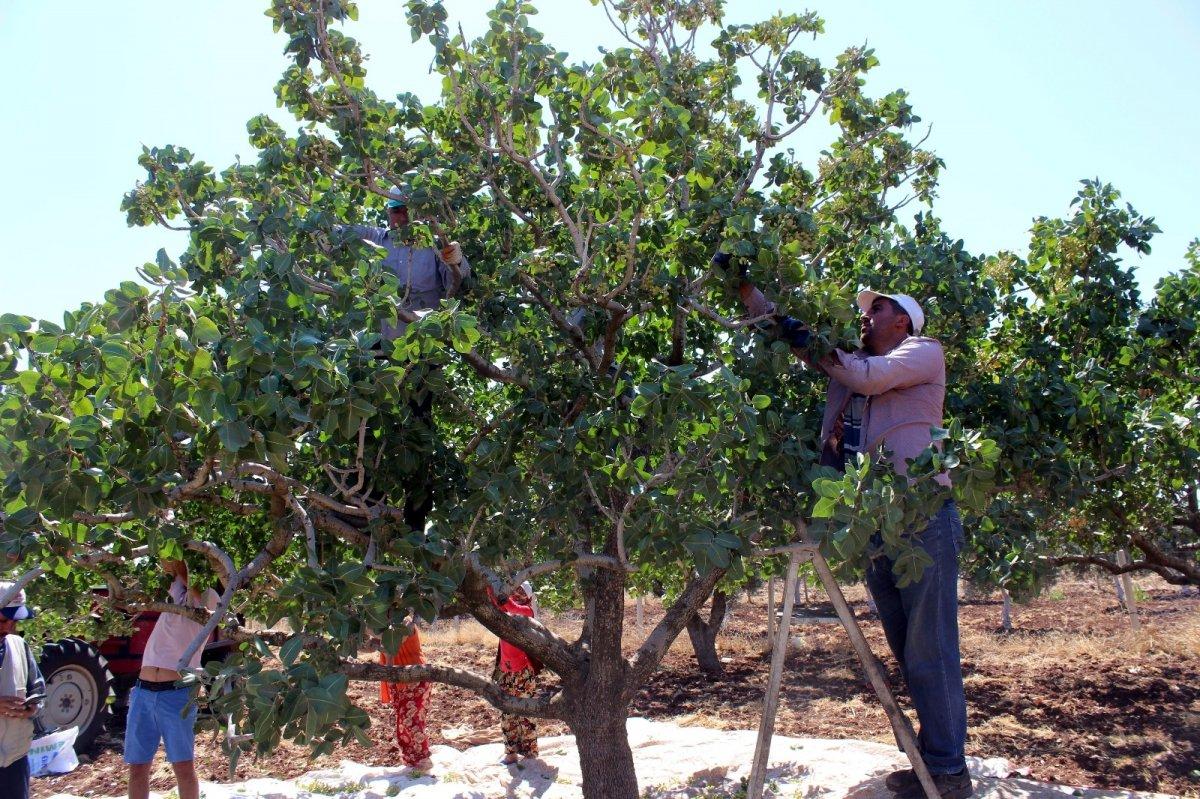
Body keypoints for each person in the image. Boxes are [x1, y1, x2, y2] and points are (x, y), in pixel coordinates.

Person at [729, 262, 972, 799]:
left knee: (931, 648)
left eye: (876, 309)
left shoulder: (923, 352)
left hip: (922, 516)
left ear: (903, 322)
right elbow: (808, 347)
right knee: (908, 649)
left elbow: (862, 375)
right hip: (873, 522)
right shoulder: (854, 365)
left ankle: (949, 773)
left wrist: (815, 344)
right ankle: (933, 765)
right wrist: (750, 292)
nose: (865, 316)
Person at [337, 185, 471, 533]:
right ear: (388, 212)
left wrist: (457, 258)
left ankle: (416, 519)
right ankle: (363, 506)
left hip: (422, 354)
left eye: (407, 209)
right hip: (382, 350)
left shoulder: (433, 244)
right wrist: (313, 228)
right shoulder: (378, 239)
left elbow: (460, 280)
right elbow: (341, 231)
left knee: (418, 430)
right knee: (365, 422)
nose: (402, 216)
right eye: (396, 209)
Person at [125, 559, 219, 799]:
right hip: (143, 691)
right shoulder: (177, 590)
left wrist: (180, 562)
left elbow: (187, 575)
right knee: (137, 769)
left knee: (183, 768)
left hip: (176, 694)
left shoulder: (212, 598)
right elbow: (170, 563)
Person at [0, 582, 45, 799]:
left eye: (14, 621)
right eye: (2, 620)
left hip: (14, 759)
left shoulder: (19, 646)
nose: (8, 628)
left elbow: (38, 688)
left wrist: (33, 707)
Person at [493, 581, 539, 765]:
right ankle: (511, 753)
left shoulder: (528, 612)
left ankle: (530, 753)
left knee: (526, 713)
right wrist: (489, 586)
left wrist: (503, 598)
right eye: (515, 590)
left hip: (523, 672)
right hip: (506, 670)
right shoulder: (505, 612)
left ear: (528, 597)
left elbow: (513, 607)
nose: (516, 594)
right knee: (507, 713)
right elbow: (497, 603)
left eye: (521, 591)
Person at [378, 627, 432, 770]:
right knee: (401, 720)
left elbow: (394, 642)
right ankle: (411, 760)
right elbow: (372, 643)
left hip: (416, 675)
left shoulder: (406, 623)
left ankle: (423, 759)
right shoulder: (380, 626)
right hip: (395, 675)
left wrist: (368, 631)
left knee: (410, 719)